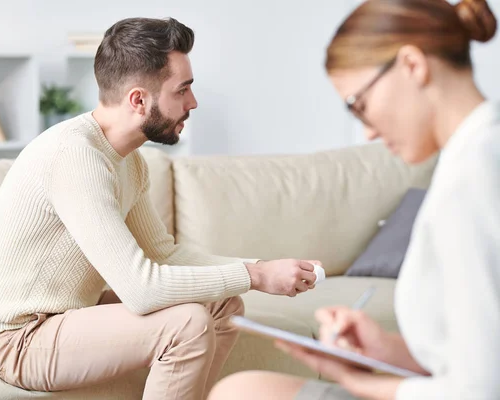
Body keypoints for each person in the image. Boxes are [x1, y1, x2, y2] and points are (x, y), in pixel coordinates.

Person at [0, 17, 321, 400]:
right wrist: (256, 275)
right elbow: (141, 290)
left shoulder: (126, 159)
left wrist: (262, 269)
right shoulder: (75, 156)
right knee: (187, 323)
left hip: (64, 317)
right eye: (182, 90)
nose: (193, 102)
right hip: (17, 338)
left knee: (221, 304)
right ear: (138, 100)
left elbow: (164, 255)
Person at [208, 0, 500, 399]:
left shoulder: (473, 177)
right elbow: (476, 358)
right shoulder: (474, 154)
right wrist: (386, 352)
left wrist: (365, 384)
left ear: (413, 65)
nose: (367, 133)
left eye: (359, 106)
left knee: (241, 393)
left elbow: (480, 390)